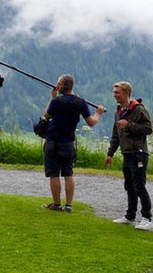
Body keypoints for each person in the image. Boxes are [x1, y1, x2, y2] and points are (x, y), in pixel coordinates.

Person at [40, 75, 104, 212]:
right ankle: (68, 205)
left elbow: (46, 116)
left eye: (59, 84)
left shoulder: (57, 101)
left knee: (53, 174)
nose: (57, 87)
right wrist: (98, 113)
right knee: (68, 173)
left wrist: (52, 97)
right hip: (68, 142)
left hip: (52, 140)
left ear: (65, 86)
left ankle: (56, 205)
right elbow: (92, 122)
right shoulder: (80, 102)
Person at [106, 81, 153, 230]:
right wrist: (110, 153)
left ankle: (147, 218)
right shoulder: (118, 112)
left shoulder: (138, 110)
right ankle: (130, 216)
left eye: (117, 92)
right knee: (129, 186)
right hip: (126, 154)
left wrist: (128, 125)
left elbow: (148, 128)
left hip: (139, 154)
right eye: (114, 92)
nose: (114, 95)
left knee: (139, 186)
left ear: (126, 93)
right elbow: (116, 135)